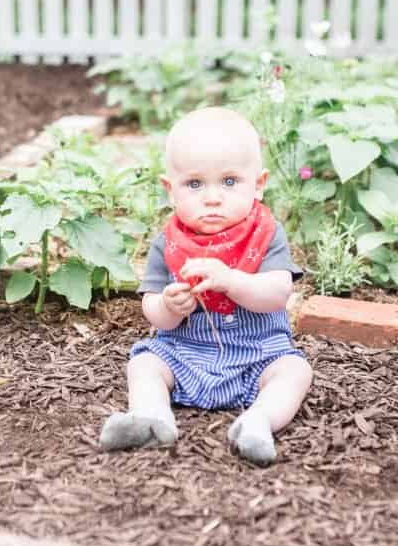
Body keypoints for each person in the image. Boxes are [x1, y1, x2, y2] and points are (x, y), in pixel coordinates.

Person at [100, 106, 312, 465]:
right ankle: (153, 417)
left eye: (229, 182)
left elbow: (277, 294)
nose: (212, 197)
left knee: (294, 371)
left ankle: (258, 421)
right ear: (171, 190)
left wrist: (231, 280)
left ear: (258, 185)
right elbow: (153, 311)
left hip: (259, 353)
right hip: (184, 350)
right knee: (145, 364)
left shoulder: (266, 236)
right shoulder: (167, 245)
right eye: (194, 184)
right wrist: (169, 307)